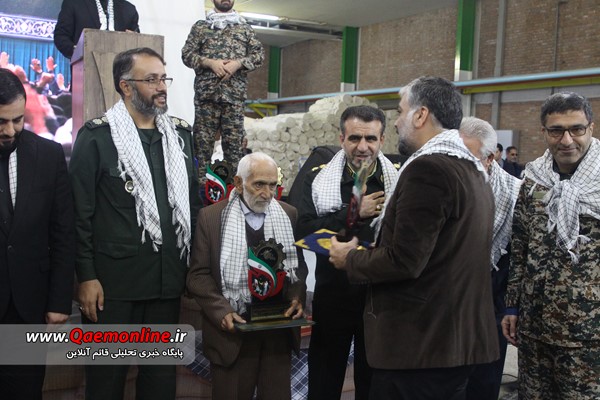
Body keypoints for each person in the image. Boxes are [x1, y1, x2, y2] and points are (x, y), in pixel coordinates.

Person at [328, 76, 499, 399]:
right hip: (452, 345)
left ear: (420, 115)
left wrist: (349, 259)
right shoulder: (472, 170)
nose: (396, 123)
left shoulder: (428, 170)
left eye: (400, 112)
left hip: (421, 347)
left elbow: (405, 260)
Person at [69, 47, 201, 400]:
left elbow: (191, 205)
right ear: (126, 87)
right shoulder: (96, 137)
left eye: (164, 78)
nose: (162, 86)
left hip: (166, 283)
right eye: (151, 79)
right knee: (106, 382)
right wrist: (86, 277)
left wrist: (194, 267)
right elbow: (78, 215)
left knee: (160, 382)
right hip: (113, 287)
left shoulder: (180, 136)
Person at [296, 105, 399, 400]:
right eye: (354, 138)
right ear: (341, 138)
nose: (362, 147)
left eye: (371, 138)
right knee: (324, 385)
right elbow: (303, 231)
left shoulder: (397, 180)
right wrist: (353, 212)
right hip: (333, 295)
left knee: (373, 387)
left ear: (382, 140)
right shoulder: (317, 179)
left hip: (378, 299)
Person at [502, 91, 600, 399]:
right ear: (544, 132)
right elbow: (520, 245)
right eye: (557, 130)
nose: (567, 140)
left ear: (591, 128)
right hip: (534, 328)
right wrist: (512, 305)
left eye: (577, 129)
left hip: (588, 335)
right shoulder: (534, 180)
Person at [186, 152, 307, 400]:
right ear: (239, 183)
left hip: (276, 335)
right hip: (233, 335)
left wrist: (296, 297)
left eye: (272, 185)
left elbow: (298, 269)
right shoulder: (212, 218)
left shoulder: (289, 214)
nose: (267, 193)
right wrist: (222, 312)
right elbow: (198, 276)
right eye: (259, 184)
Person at [0, 68, 75, 399]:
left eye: (17, 120)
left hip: (28, 306)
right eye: (1, 122)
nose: (9, 131)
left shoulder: (48, 155)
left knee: (25, 391)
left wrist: (59, 300)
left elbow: (63, 232)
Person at [460, 117, 522, 400]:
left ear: (490, 158)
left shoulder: (515, 194)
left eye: (469, 158)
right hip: (447, 303)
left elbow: (518, 257)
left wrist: (510, 309)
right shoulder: (444, 186)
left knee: (484, 382)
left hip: (492, 305)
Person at [181, 0, 264, 193]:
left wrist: (238, 63)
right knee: (201, 149)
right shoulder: (201, 27)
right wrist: (209, 63)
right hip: (206, 98)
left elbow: (258, 56)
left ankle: (235, 194)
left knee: (235, 149)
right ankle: (200, 197)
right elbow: (187, 54)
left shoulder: (244, 28)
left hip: (234, 98)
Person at [54, 0, 140, 59]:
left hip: (121, 73)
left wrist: (134, 40)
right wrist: (77, 52)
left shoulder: (129, 9)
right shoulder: (74, 3)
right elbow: (61, 36)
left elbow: (137, 40)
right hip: (84, 72)